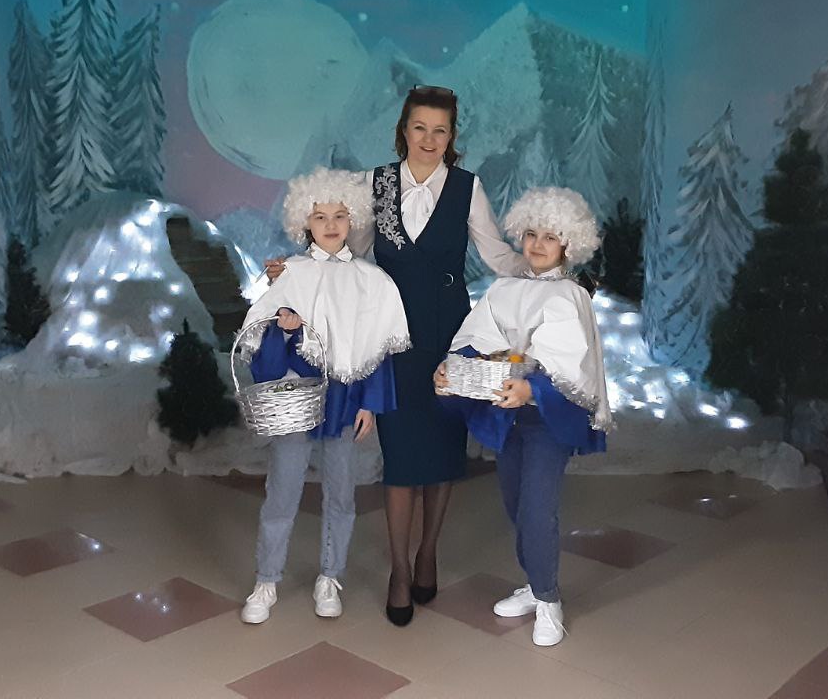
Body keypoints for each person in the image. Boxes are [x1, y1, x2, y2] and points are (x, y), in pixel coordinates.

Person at [267, 85, 527, 626]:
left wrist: (548, 274)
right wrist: (294, 272)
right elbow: (344, 250)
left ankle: (429, 551)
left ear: (452, 137)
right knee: (403, 458)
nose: (428, 139)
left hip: (449, 338)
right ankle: (401, 571)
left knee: (443, 454)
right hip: (391, 339)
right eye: (419, 127)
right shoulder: (375, 184)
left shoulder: (467, 188)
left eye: (440, 130)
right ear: (403, 130)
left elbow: (497, 255)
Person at [435, 187, 612, 647]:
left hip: (546, 421)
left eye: (550, 237)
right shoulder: (505, 288)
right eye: (531, 234)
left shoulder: (571, 295)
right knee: (516, 504)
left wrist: (531, 388)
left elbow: (573, 364)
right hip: (505, 416)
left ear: (568, 244)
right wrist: (453, 369)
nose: (537, 244)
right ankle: (535, 584)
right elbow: (476, 338)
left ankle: (549, 599)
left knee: (537, 509)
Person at [237, 167, 410, 625]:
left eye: (339, 215)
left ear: (353, 219)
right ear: (305, 222)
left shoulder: (371, 280)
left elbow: (377, 348)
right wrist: (285, 330)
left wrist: (371, 402)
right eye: (319, 216)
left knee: (341, 494)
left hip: (345, 400)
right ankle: (267, 579)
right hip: (297, 400)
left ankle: (330, 576)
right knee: (282, 490)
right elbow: (262, 349)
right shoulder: (290, 274)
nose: (330, 225)